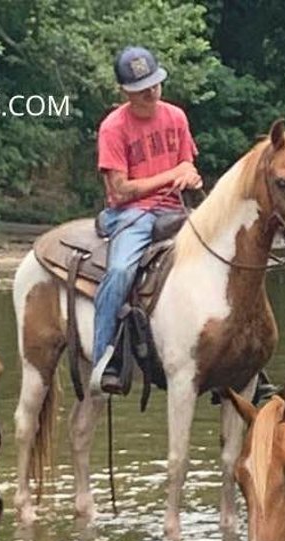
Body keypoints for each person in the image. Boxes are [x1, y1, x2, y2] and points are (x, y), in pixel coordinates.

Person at [90, 45, 202, 395]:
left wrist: (190, 177)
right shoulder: (113, 128)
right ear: (125, 92)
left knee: (224, 252)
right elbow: (120, 189)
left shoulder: (176, 117)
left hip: (175, 208)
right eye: (141, 90)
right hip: (133, 212)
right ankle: (105, 355)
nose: (151, 93)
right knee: (121, 270)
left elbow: (188, 166)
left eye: (155, 85)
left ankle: (239, 356)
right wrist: (173, 174)